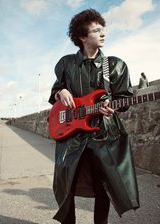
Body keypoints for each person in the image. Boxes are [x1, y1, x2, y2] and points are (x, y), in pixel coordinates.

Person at [48, 9, 139, 224]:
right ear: (82, 36)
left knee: (103, 188)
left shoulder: (116, 65)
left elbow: (124, 98)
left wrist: (113, 108)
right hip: (71, 136)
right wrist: (60, 92)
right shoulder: (65, 63)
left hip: (103, 135)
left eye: (103, 29)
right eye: (97, 30)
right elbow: (54, 93)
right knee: (65, 187)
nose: (103, 33)